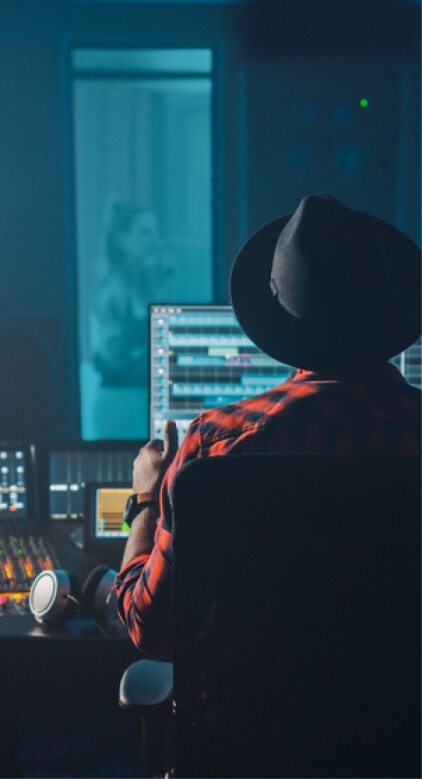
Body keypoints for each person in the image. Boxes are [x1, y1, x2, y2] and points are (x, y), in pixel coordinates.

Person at [115, 194, 421, 660]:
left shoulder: (213, 446)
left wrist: (144, 502)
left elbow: (151, 630)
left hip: (251, 731)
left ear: (277, 317)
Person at [91, 201, 172, 387]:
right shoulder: (112, 289)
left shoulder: (147, 283)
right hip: (118, 394)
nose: (154, 241)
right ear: (122, 240)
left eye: (155, 232)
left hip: (143, 392)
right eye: (144, 233)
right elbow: (111, 354)